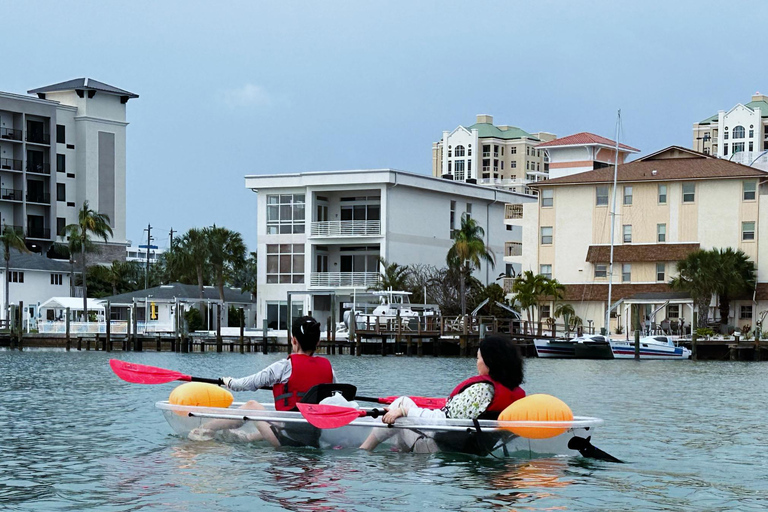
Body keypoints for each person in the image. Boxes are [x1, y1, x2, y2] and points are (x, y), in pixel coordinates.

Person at [360, 335, 525, 453]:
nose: (477, 363)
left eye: (478, 358)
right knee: (402, 413)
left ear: (490, 361)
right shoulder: (511, 391)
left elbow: (443, 421)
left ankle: (363, 452)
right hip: (473, 448)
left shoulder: (482, 390)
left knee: (401, 403)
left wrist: (405, 411)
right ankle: (400, 453)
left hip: (441, 450)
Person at [188, 315, 336, 445]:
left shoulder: (284, 367)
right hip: (314, 437)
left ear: (294, 340)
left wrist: (229, 382)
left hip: (287, 439)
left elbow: (249, 384)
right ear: (318, 342)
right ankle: (247, 438)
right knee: (276, 420)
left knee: (252, 406)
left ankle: (203, 430)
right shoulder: (329, 370)